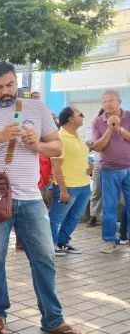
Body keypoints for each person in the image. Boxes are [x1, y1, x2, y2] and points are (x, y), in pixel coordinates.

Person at [0, 60, 88, 334]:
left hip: (31, 198)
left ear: (16, 82)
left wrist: (36, 145)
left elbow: (55, 148)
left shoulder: (36, 109)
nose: (5, 91)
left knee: (45, 257)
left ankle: (53, 319)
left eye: (9, 85)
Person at [89, 90, 130, 253]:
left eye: (111, 101)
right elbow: (96, 146)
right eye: (104, 102)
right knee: (109, 206)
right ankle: (109, 240)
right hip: (109, 169)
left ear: (119, 102)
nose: (107, 104)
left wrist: (119, 129)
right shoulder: (98, 121)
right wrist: (109, 129)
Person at [48, 106, 91, 256]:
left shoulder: (78, 135)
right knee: (56, 218)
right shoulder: (60, 138)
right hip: (68, 187)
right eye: (80, 114)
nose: (83, 117)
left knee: (74, 217)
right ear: (71, 119)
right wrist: (63, 190)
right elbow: (56, 166)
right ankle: (50, 246)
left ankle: (62, 242)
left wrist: (89, 165)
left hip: (84, 185)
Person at [87, 109, 105, 227]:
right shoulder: (96, 122)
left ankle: (107, 217)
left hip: (116, 164)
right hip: (99, 162)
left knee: (113, 193)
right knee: (97, 190)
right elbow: (89, 142)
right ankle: (93, 216)